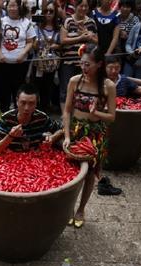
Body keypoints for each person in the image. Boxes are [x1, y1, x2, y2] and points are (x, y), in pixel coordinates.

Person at [52, 44, 116, 228]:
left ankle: (81, 209)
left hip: (96, 134)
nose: (84, 68)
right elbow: (66, 111)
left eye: (88, 64)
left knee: (89, 174)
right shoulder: (75, 81)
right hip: (76, 131)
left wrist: (97, 114)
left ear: (99, 65)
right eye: (82, 64)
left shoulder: (108, 86)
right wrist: (66, 136)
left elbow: (111, 117)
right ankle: (69, 207)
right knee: (71, 171)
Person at [0, 83, 59, 154]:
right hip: (11, 159)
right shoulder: (6, 118)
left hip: (35, 158)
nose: (26, 108)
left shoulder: (42, 118)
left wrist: (52, 138)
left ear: (36, 103)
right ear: (17, 101)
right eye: (23, 103)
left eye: (31, 103)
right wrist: (10, 136)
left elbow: (61, 129)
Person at [0, 0, 36, 112]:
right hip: (3, 63)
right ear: (6, 7)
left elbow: (30, 42)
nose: (12, 8)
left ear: (19, 7)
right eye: (10, 6)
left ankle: (19, 112)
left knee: (18, 90)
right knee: (4, 90)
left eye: (15, 6)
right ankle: (4, 113)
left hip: (20, 63)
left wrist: (23, 53)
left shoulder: (26, 22)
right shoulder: (1, 21)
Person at [32, 0, 60, 113]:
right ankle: (35, 109)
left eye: (51, 11)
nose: (48, 13)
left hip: (51, 64)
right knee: (36, 87)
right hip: (38, 63)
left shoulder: (58, 29)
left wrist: (54, 45)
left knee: (48, 88)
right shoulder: (37, 27)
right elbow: (33, 45)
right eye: (46, 11)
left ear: (55, 13)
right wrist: (37, 43)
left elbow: (61, 45)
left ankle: (44, 110)